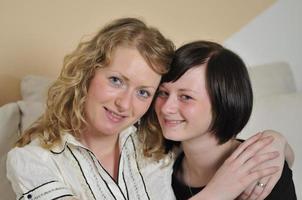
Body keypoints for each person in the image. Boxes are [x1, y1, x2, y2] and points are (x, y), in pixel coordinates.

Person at [7, 18, 288, 200]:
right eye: (116, 80)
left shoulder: (153, 141)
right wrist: (217, 193)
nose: (125, 104)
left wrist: (277, 142)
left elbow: (209, 138)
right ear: (87, 74)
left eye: (144, 92)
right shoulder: (32, 161)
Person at [142, 40, 296, 199]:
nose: (166, 108)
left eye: (186, 97)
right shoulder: (157, 170)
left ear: (224, 103)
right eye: (163, 93)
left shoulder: (262, 172)